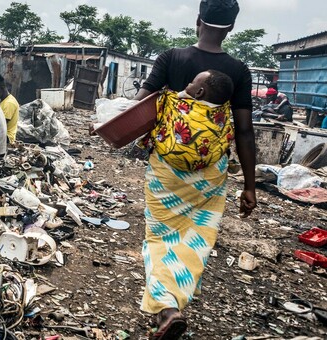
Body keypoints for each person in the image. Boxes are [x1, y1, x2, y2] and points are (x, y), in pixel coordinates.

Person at [132, 1, 256, 339]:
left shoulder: (171, 58)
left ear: (198, 21)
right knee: (197, 237)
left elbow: (140, 109)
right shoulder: (239, 70)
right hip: (211, 174)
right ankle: (176, 294)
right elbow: (244, 131)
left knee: (159, 238)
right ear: (231, 28)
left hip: (167, 170)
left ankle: (168, 308)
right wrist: (249, 186)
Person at [0, 74, 20, 144]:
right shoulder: (2, 101)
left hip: (6, 138)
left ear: (2, 89)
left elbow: (0, 127)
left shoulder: (9, 103)